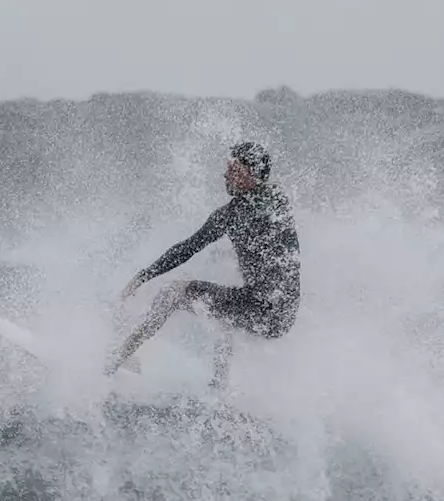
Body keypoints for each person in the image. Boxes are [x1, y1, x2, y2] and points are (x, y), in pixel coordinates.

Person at [104, 142, 301, 388]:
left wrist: (144, 276)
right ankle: (219, 385)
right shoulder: (278, 202)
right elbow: (192, 246)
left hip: (262, 309)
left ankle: (119, 358)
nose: (225, 175)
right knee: (221, 309)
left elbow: (190, 247)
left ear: (250, 174)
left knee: (175, 292)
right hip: (282, 314)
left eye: (233, 169)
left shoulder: (240, 212)